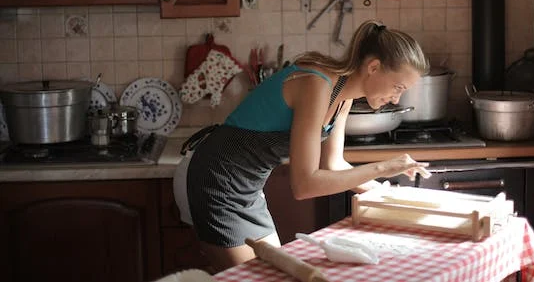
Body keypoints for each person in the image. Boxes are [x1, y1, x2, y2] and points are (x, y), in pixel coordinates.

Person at [173, 19, 432, 273]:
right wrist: (382, 167)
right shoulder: (316, 84)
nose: (397, 98)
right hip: (215, 180)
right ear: (374, 67)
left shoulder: (344, 98)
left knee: (276, 276)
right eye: (398, 87)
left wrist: (393, 196)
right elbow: (304, 185)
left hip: (247, 188)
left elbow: (333, 165)